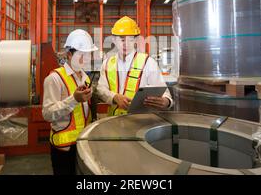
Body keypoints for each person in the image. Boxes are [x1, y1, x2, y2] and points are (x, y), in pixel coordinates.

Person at [42, 29, 98, 175]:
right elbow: (47, 114)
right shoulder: (54, 79)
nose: (85, 59)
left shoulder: (86, 78)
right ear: (69, 54)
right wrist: (74, 99)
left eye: (88, 55)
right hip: (64, 148)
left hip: (83, 145)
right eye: (81, 55)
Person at [97, 16, 173, 116]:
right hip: (113, 121)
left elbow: (164, 92)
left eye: (131, 39)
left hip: (140, 121)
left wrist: (166, 101)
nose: (126, 44)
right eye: (122, 39)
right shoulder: (107, 63)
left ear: (136, 40)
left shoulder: (148, 63)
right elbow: (100, 89)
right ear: (114, 40)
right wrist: (114, 96)